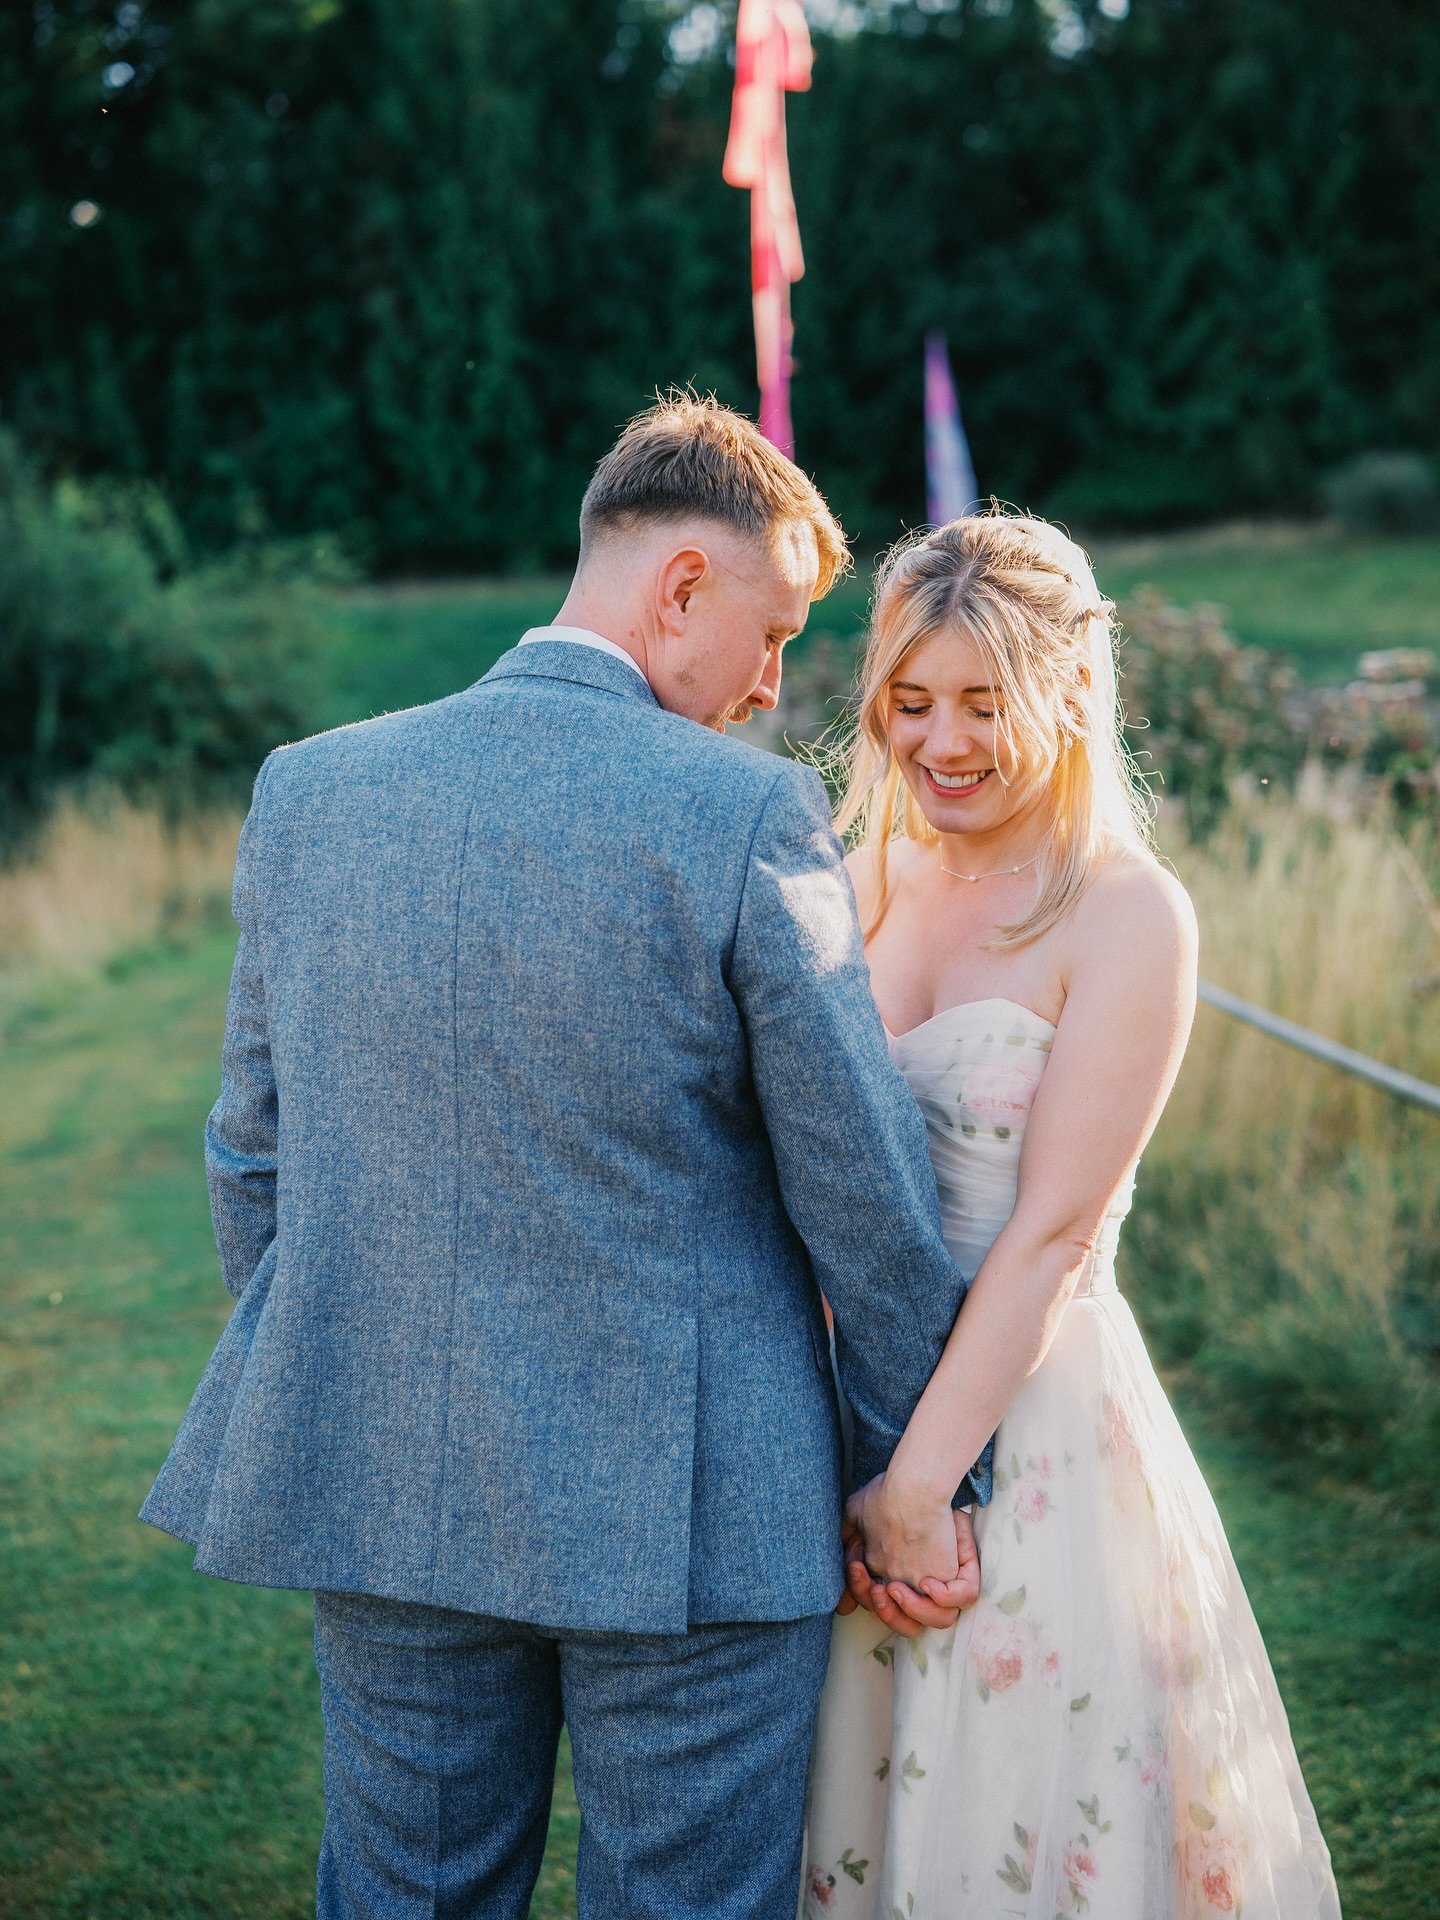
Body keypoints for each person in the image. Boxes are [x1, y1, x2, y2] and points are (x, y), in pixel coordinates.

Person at [139, 394, 986, 1920]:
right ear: (679, 590)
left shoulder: (310, 790)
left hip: (386, 1487)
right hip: (699, 1518)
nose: (772, 684)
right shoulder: (745, 814)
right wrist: (909, 1471)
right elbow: (860, 1188)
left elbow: (249, 1154)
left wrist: (349, 1375)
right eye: (776, 629)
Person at [802, 512, 1341, 1919]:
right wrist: (843, 1464)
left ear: (1073, 696)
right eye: (912, 703)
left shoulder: (1126, 916)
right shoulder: (855, 881)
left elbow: (1051, 1234)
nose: (942, 743)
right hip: (838, 1427)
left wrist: (919, 1491)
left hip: (1029, 1439)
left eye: (985, 702)